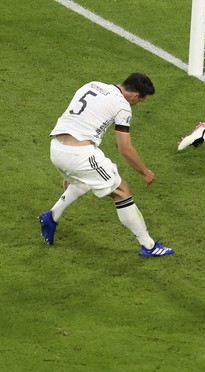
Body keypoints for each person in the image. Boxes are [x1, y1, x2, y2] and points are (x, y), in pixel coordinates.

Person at [38, 73, 174, 257]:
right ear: (135, 96)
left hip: (56, 148)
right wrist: (144, 171)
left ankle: (51, 216)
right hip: (80, 154)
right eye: (140, 101)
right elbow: (125, 149)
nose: (137, 104)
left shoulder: (92, 85)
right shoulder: (122, 106)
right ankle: (149, 246)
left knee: (83, 182)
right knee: (122, 190)